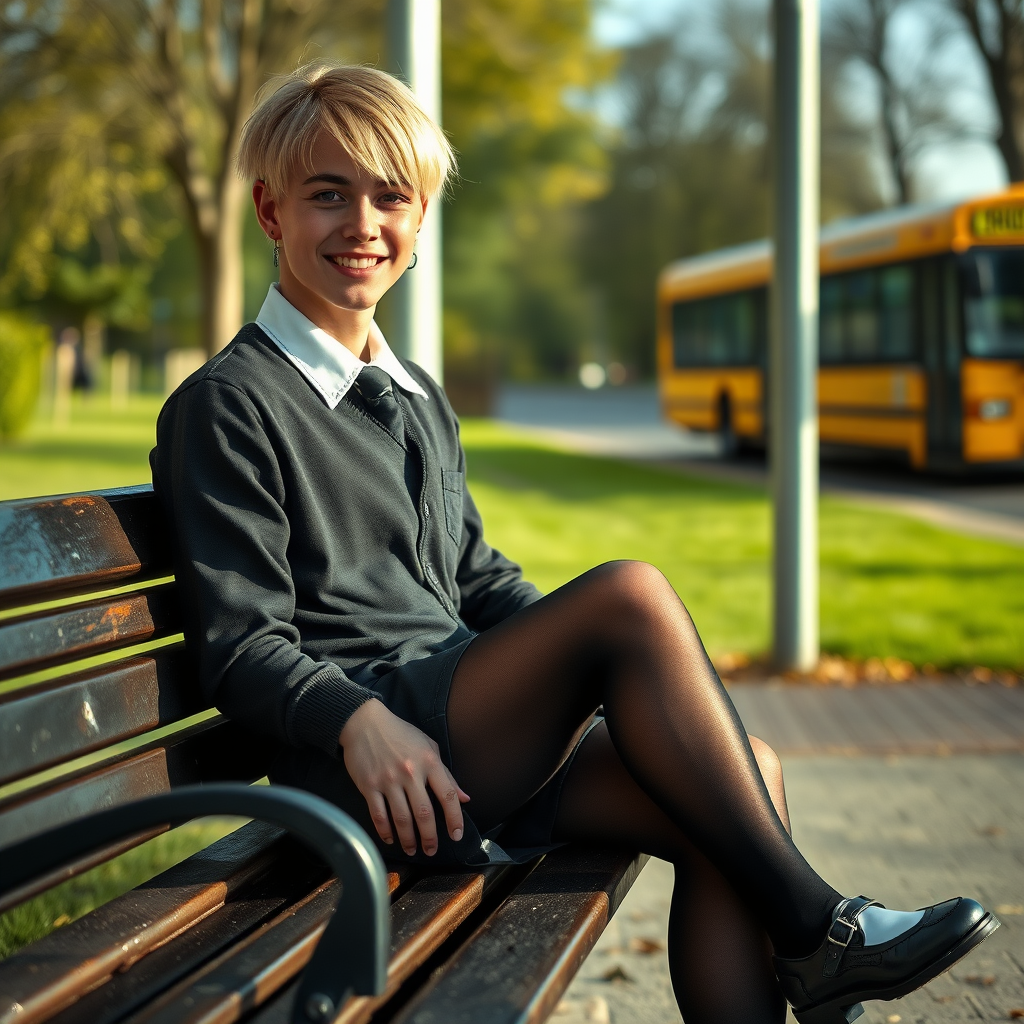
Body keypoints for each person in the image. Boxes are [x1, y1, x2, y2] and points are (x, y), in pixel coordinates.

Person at [150, 62, 998, 1024]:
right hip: (365, 766)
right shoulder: (229, 407)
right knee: (630, 596)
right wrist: (357, 719)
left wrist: (583, 669)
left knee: (742, 776)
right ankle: (822, 932)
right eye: (327, 195)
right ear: (269, 211)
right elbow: (241, 644)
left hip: (464, 734)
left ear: (421, 220)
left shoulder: (415, 393)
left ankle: (807, 962)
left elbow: (471, 576)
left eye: (392, 197)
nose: (362, 225)